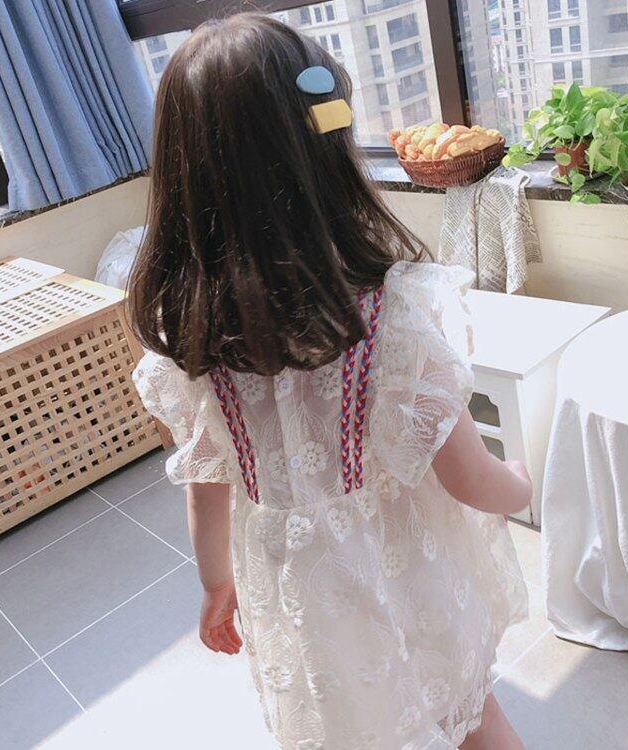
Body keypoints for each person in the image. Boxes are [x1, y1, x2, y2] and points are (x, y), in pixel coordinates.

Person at [129, 13, 529, 750]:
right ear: (325, 159)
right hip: (413, 571)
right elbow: (472, 479)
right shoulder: (396, 317)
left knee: (354, 727)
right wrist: (521, 484)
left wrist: (215, 584)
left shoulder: (188, 335)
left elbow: (206, 485)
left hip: (301, 595)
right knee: (470, 712)